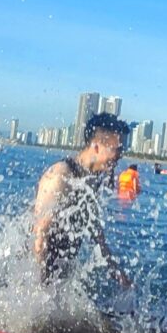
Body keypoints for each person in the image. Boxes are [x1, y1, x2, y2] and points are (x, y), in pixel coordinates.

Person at [33, 113, 131, 286]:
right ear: (96, 146)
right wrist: (40, 288)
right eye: (117, 149)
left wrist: (115, 269)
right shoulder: (61, 175)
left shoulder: (92, 179)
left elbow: (94, 228)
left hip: (60, 268)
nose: (120, 156)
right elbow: (40, 233)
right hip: (36, 269)